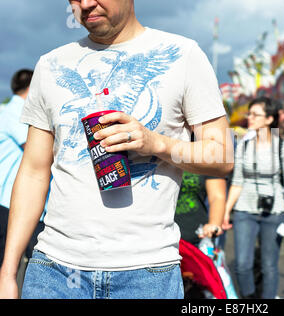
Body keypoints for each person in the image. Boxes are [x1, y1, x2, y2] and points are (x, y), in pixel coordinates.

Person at [0, 0, 233, 299]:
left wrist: (157, 143)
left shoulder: (184, 55)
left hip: (148, 273)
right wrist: (8, 272)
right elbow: (33, 172)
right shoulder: (51, 65)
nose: (84, 4)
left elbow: (222, 156)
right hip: (54, 270)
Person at [223, 96, 284, 299]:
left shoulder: (282, 148)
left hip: (274, 212)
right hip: (244, 210)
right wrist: (226, 211)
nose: (250, 118)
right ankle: (250, 299)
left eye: (256, 114)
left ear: (269, 120)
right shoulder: (243, 147)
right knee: (242, 265)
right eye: (250, 113)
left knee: (269, 266)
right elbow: (237, 182)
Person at [0, 69, 46, 267]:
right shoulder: (18, 112)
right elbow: (35, 148)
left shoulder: (6, 110)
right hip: (12, 200)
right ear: (33, 88)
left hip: (12, 199)